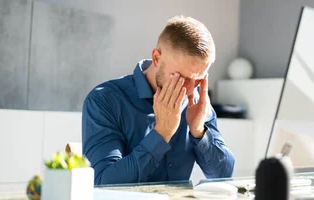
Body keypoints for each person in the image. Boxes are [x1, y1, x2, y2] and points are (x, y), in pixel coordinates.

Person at [81, 16, 235, 185]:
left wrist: (199, 131)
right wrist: (162, 133)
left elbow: (224, 175)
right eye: (181, 77)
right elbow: (103, 183)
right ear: (156, 58)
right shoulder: (104, 100)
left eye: (198, 79)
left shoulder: (196, 101)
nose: (190, 89)